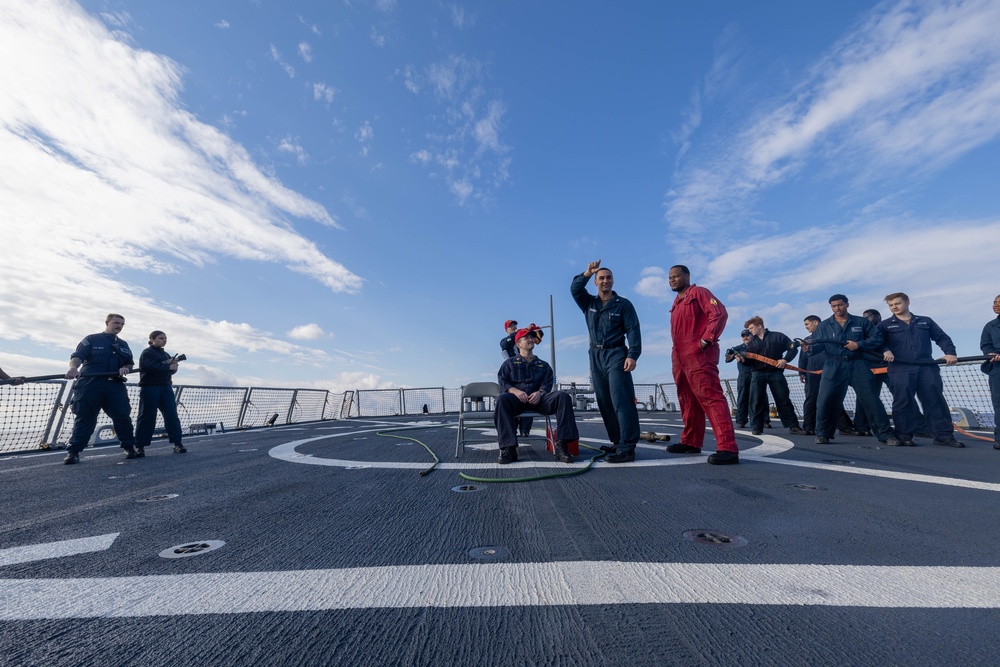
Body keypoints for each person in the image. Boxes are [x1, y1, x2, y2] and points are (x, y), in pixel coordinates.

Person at [665, 265, 739, 464]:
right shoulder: (677, 302)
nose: (672, 280)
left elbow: (719, 313)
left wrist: (706, 340)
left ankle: (727, 447)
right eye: (670, 277)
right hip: (679, 355)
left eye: (676, 276)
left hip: (698, 353)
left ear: (687, 276)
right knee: (687, 399)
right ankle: (691, 441)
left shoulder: (699, 293)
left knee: (711, 396)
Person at [571, 260, 642, 463]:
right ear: (595, 282)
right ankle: (617, 441)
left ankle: (627, 447)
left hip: (616, 354)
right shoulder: (589, 303)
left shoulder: (624, 305)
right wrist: (586, 273)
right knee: (605, 401)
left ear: (613, 281)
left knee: (621, 400)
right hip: (595, 356)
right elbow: (575, 289)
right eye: (601, 278)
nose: (605, 281)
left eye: (608, 277)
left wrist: (633, 355)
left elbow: (633, 330)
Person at [812, 295, 900, 446]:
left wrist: (859, 345)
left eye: (840, 305)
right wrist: (809, 348)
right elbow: (817, 346)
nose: (837, 308)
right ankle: (823, 434)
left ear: (847, 304)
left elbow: (877, 338)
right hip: (833, 365)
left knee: (871, 399)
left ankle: (886, 434)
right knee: (825, 399)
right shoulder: (824, 326)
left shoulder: (862, 322)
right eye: (833, 306)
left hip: (858, 363)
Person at [878, 293, 962, 447]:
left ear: (907, 302)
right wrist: (885, 350)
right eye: (891, 305)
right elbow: (876, 341)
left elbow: (942, 337)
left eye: (897, 303)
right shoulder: (885, 325)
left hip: (926, 367)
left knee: (935, 401)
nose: (894, 307)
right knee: (903, 402)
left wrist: (950, 353)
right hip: (900, 367)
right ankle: (904, 436)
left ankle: (943, 436)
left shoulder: (925, 321)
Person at [495, 326, 579, 464]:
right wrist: (516, 391)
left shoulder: (543, 365)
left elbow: (547, 384)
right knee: (502, 399)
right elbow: (503, 382)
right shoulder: (508, 364)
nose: (530, 339)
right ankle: (509, 448)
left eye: (531, 337)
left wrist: (540, 393)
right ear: (518, 344)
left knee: (563, 397)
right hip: (517, 400)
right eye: (526, 338)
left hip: (539, 401)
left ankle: (562, 445)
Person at [62, 313, 139, 464]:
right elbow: (77, 356)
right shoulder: (91, 339)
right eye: (116, 323)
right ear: (107, 322)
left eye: (122, 324)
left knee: (123, 416)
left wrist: (125, 368)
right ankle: (74, 452)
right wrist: (73, 368)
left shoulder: (124, 345)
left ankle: (129, 447)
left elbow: (130, 363)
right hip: (90, 384)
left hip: (115, 385)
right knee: (85, 417)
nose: (119, 326)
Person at [739, 317, 805, 436]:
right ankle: (756, 427)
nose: (750, 331)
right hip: (757, 373)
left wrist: (785, 359)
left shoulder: (778, 336)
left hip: (776, 372)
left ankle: (793, 426)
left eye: (751, 328)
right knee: (755, 401)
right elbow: (749, 362)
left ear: (760, 326)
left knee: (783, 399)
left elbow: (792, 349)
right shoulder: (751, 343)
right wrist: (742, 360)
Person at [799, 315, 854, 436]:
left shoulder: (830, 337)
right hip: (812, 373)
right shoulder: (807, 340)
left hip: (830, 371)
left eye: (807, 324)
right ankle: (808, 426)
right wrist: (801, 372)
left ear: (816, 323)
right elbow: (803, 357)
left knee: (832, 398)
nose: (806, 327)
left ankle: (845, 427)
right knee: (811, 399)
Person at [136, 330, 187, 455]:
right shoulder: (147, 352)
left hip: (165, 387)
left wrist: (173, 367)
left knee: (172, 416)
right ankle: (140, 446)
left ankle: (177, 443)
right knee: (147, 416)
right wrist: (168, 367)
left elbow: (168, 371)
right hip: (150, 387)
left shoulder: (166, 355)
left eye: (165, 338)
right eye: (161, 338)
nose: (164, 340)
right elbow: (149, 366)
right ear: (152, 339)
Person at [851, 309, 888, 437]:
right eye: (864, 318)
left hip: (890, 366)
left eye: (868, 317)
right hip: (869, 366)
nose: (866, 320)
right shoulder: (863, 331)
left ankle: (916, 427)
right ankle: (861, 427)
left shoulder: (886, 327)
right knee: (865, 397)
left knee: (903, 395)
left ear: (878, 316)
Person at [500, 319, 532, 438]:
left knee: (528, 395)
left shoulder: (523, 339)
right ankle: (512, 428)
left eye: (515, 325)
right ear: (506, 329)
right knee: (510, 398)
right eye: (511, 326)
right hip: (512, 371)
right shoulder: (506, 341)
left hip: (525, 369)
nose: (514, 327)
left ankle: (525, 429)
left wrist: (527, 331)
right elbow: (504, 344)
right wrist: (520, 332)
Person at [980, 294, 1000, 450]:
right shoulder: (990, 326)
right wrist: (991, 354)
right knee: (999, 404)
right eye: (994, 302)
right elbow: (986, 346)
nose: (996, 305)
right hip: (997, 369)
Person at [724, 329, 753, 428]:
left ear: (751, 335)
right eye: (743, 335)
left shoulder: (757, 347)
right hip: (743, 374)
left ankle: (765, 419)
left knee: (760, 397)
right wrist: (728, 358)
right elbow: (729, 358)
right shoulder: (738, 348)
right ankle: (741, 420)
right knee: (742, 397)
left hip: (756, 373)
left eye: (747, 335)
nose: (745, 337)